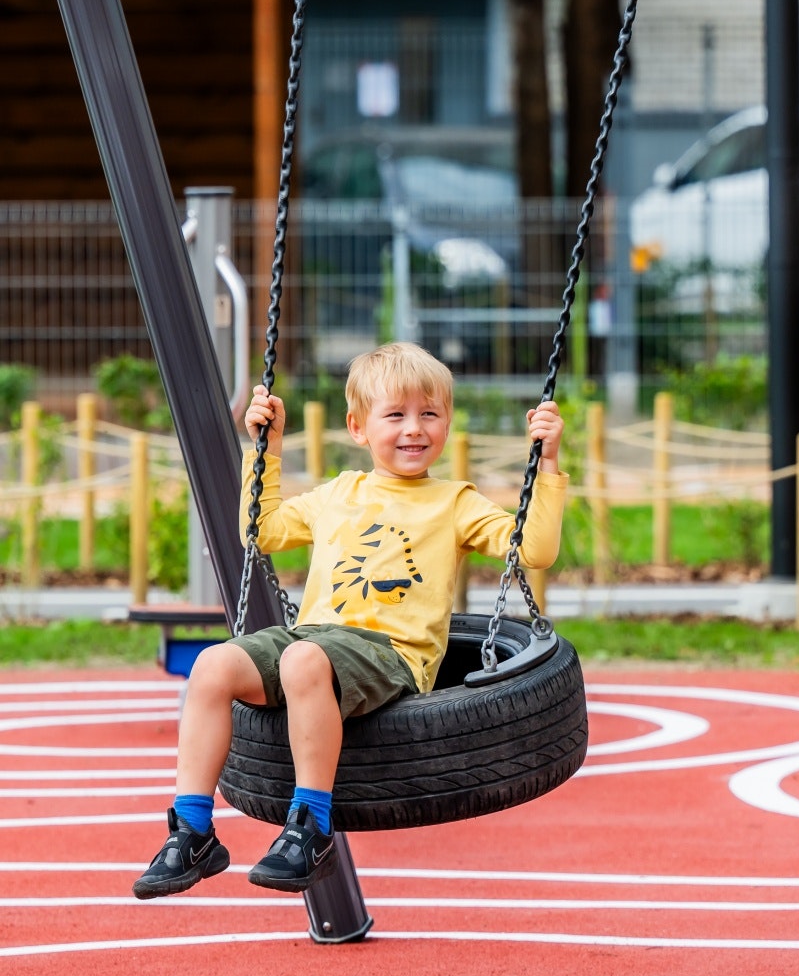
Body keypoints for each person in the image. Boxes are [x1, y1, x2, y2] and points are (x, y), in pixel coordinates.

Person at [133, 342, 567, 900]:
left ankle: (311, 826)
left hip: (391, 653)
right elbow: (260, 532)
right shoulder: (339, 492)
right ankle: (193, 830)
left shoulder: (455, 502)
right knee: (213, 665)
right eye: (396, 415)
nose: (414, 429)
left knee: (302, 660)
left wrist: (547, 464)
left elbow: (533, 550)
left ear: (448, 422)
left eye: (429, 413)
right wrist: (265, 449)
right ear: (358, 427)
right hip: (313, 639)